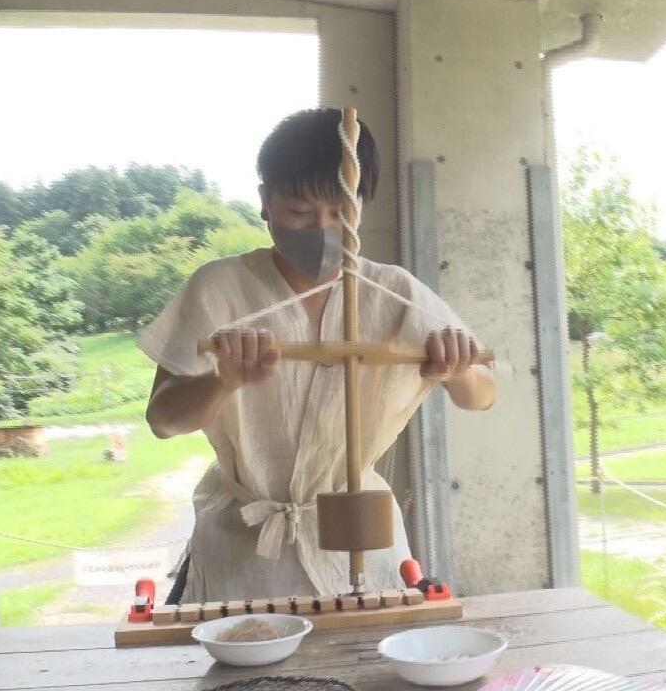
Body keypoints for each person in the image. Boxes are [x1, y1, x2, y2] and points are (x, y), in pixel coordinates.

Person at [139, 108, 495, 605]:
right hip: (246, 555)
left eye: (340, 213)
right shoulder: (219, 288)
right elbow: (163, 418)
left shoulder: (392, 292)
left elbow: (482, 394)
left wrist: (458, 371)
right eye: (301, 212)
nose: (322, 230)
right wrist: (223, 380)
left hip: (363, 540)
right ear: (265, 202)